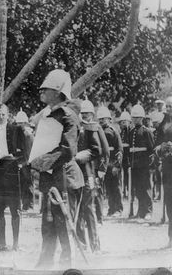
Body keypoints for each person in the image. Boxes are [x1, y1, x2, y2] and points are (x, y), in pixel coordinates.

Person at [30, 69, 83, 270]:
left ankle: (68, 266)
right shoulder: (47, 115)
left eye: (46, 88)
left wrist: (43, 162)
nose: (41, 90)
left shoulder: (67, 116)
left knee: (64, 224)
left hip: (64, 178)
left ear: (59, 91)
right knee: (48, 223)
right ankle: (45, 262)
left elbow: (68, 150)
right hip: (50, 178)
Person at [0, 103, 26, 252]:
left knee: (14, 208)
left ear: (8, 114)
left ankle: (16, 243)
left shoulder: (16, 129)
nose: (1, 117)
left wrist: (18, 163)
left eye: (3, 114)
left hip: (12, 170)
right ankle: (2, 244)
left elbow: (25, 152)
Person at [75, 99, 101, 253]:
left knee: (88, 208)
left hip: (87, 173)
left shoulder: (92, 129)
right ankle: (81, 245)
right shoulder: (74, 128)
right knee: (75, 210)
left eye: (88, 114)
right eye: (82, 113)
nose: (85, 116)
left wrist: (81, 156)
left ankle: (95, 245)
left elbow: (97, 150)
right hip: (73, 174)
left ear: (92, 114)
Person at [155, 96, 172, 247]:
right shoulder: (164, 122)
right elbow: (157, 144)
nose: (169, 109)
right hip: (168, 167)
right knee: (171, 201)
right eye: (167, 106)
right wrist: (160, 148)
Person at [128, 103, 155, 220]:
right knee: (138, 188)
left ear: (142, 118)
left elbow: (151, 149)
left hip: (144, 164)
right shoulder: (131, 132)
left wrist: (151, 164)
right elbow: (130, 149)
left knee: (146, 188)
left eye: (137, 117)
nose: (135, 119)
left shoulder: (146, 131)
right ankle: (141, 210)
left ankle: (148, 211)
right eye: (133, 117)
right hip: (134, 164)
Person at [97, 106, 123, 217]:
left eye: (104, 119)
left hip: (113, 163)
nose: (102, 121)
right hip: (104, 163)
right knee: (107, 187)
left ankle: (118, 209)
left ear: (109, 119)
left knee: (115, 187)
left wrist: (117, 165)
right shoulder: (98, 131)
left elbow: (119, 149)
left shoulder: (114, 131)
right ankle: (111, 209)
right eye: (100, 119)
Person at [14, 108, 35, 211]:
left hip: (27, 162)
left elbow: (29, 150)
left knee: (28, 183)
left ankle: (30, 204)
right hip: (20, 161)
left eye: (21, 123)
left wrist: (25, 162)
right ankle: (25, 204)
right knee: (22, 183)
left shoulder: (28, 134)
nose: (20, 125)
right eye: (18, 123)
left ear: (26, 123)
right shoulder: (18, 133)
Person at [117, 110, 132, 199]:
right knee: (122, 174)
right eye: (122, 122)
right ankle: (124, 191)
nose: (123, 124)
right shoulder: (121, 132)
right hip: (123, 156)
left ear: (129, 122)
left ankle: (129, 191)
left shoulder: (131, 131)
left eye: (125, 121)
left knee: (128, 175)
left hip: (129, 156)